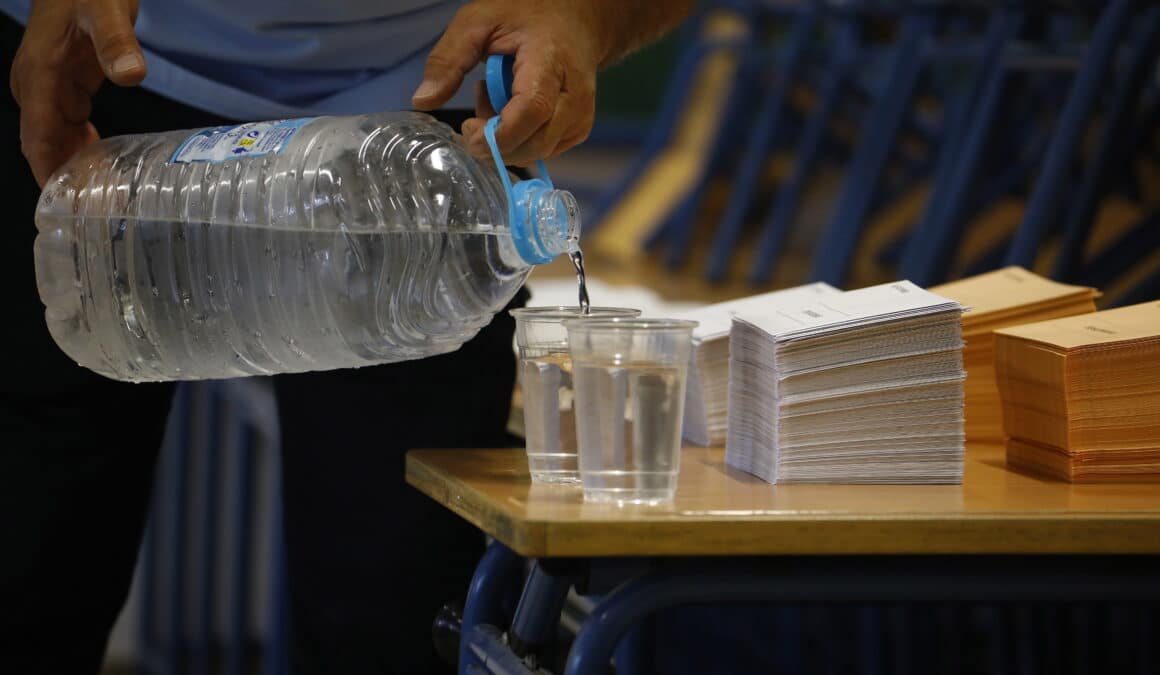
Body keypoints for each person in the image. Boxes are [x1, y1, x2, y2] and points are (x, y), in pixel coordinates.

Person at [0, 1, 693, 673]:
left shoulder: (455, 268)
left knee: (391, 616)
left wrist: (582, 12)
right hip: (104, 64)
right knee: (27, 570)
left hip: (429, 110)